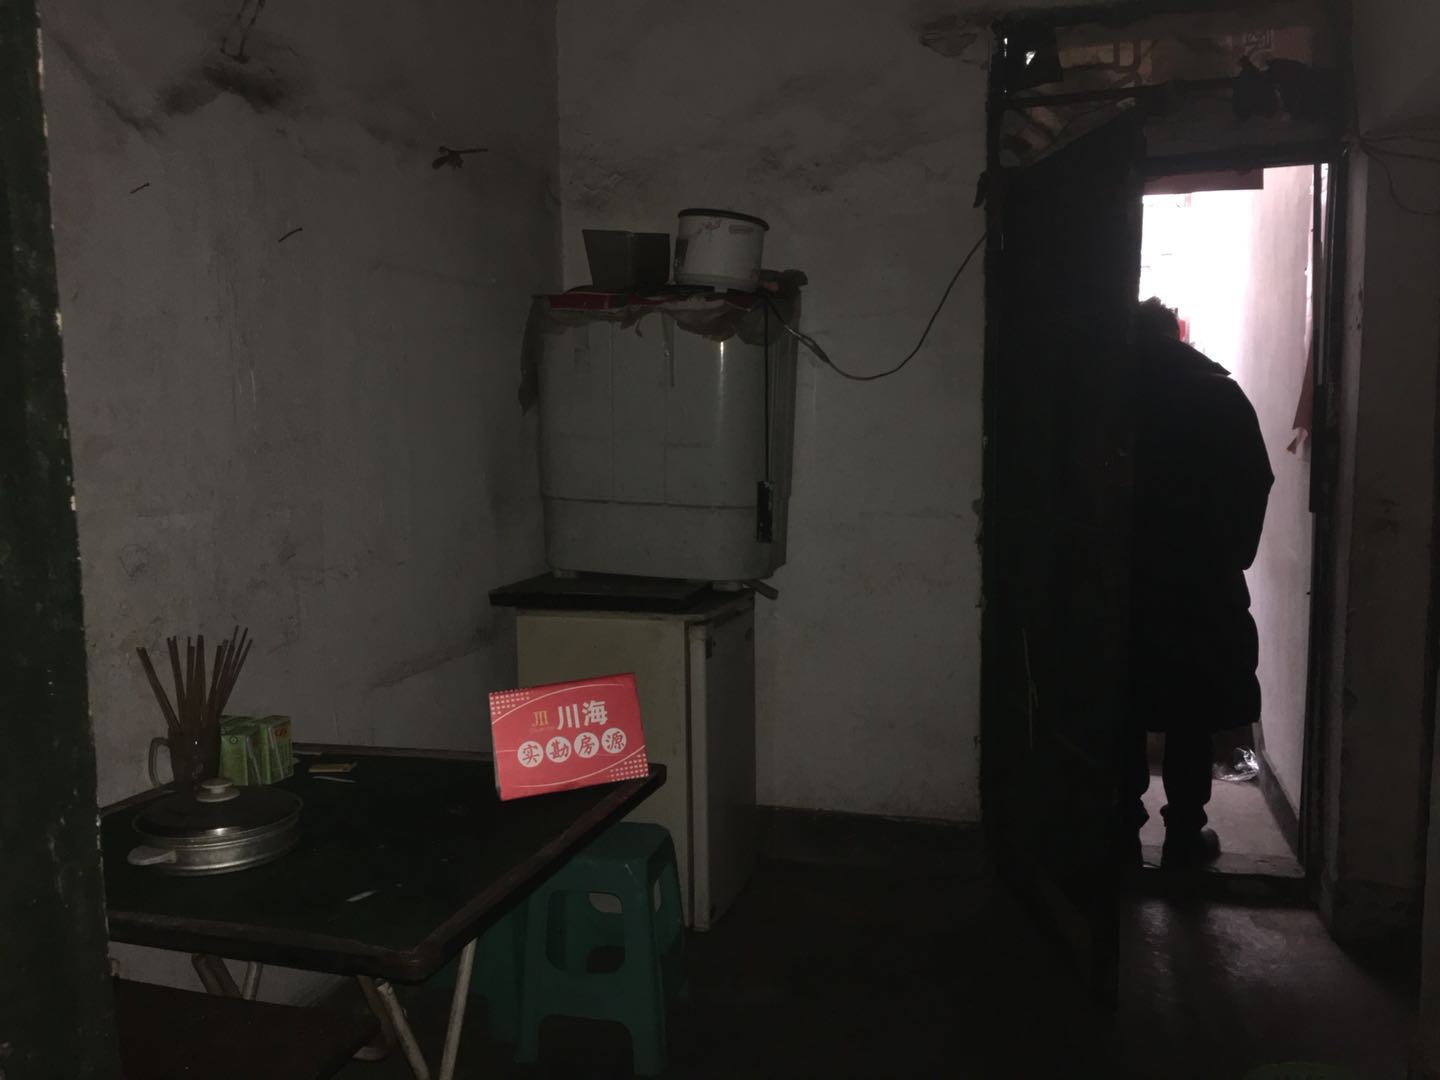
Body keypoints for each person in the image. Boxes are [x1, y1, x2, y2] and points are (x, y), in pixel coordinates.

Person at [1125, 297, 1274, 867]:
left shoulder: (1107, 394)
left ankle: (1120, 828)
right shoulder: (1219, 395)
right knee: (1191, 713)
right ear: (1177, 335)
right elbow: (1254, 481)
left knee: (1122, 706)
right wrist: (1229, 556)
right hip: (1200, 585)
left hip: (1123, 582)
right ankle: (1185, 832)